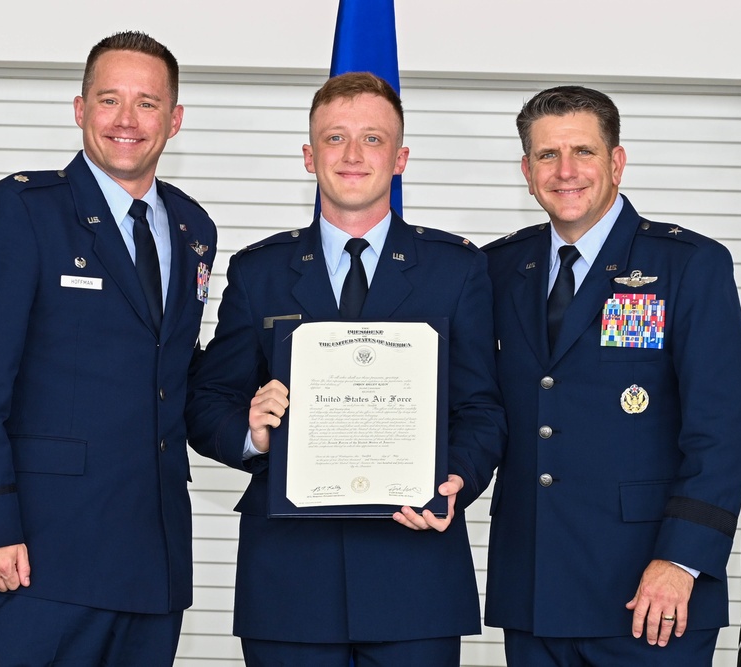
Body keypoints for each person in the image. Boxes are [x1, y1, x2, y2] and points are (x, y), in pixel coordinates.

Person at [188, 72, 506, 666]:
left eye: (372, 139)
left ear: (401, 157)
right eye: (334, 139)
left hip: (415, 571)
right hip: (291, 579)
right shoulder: (260, 271)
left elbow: (480, 408)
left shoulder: (455, 270)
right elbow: (207, 401)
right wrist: (251, 433)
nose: (353, 155)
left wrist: (457, 479)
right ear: (309, 157)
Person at [0, 31, 217, 665]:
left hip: (153, 560)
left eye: (147, 103)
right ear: (80, 108)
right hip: (43, 558)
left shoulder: (192, 227)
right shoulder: (22, 211)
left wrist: (251, 419)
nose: (125, 119)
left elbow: (171, 372)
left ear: (174, 119)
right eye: (109, 98)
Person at [482, 85, 741, 666]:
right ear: (527, 171)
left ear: (617, 162)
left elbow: (722, 431)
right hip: (535, 585)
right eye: (547, 156)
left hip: (650, 592)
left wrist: (682, 561)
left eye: (583, 151)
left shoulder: (687, 264)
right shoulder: (497, 268)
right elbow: (475, 406)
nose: (566, 171)